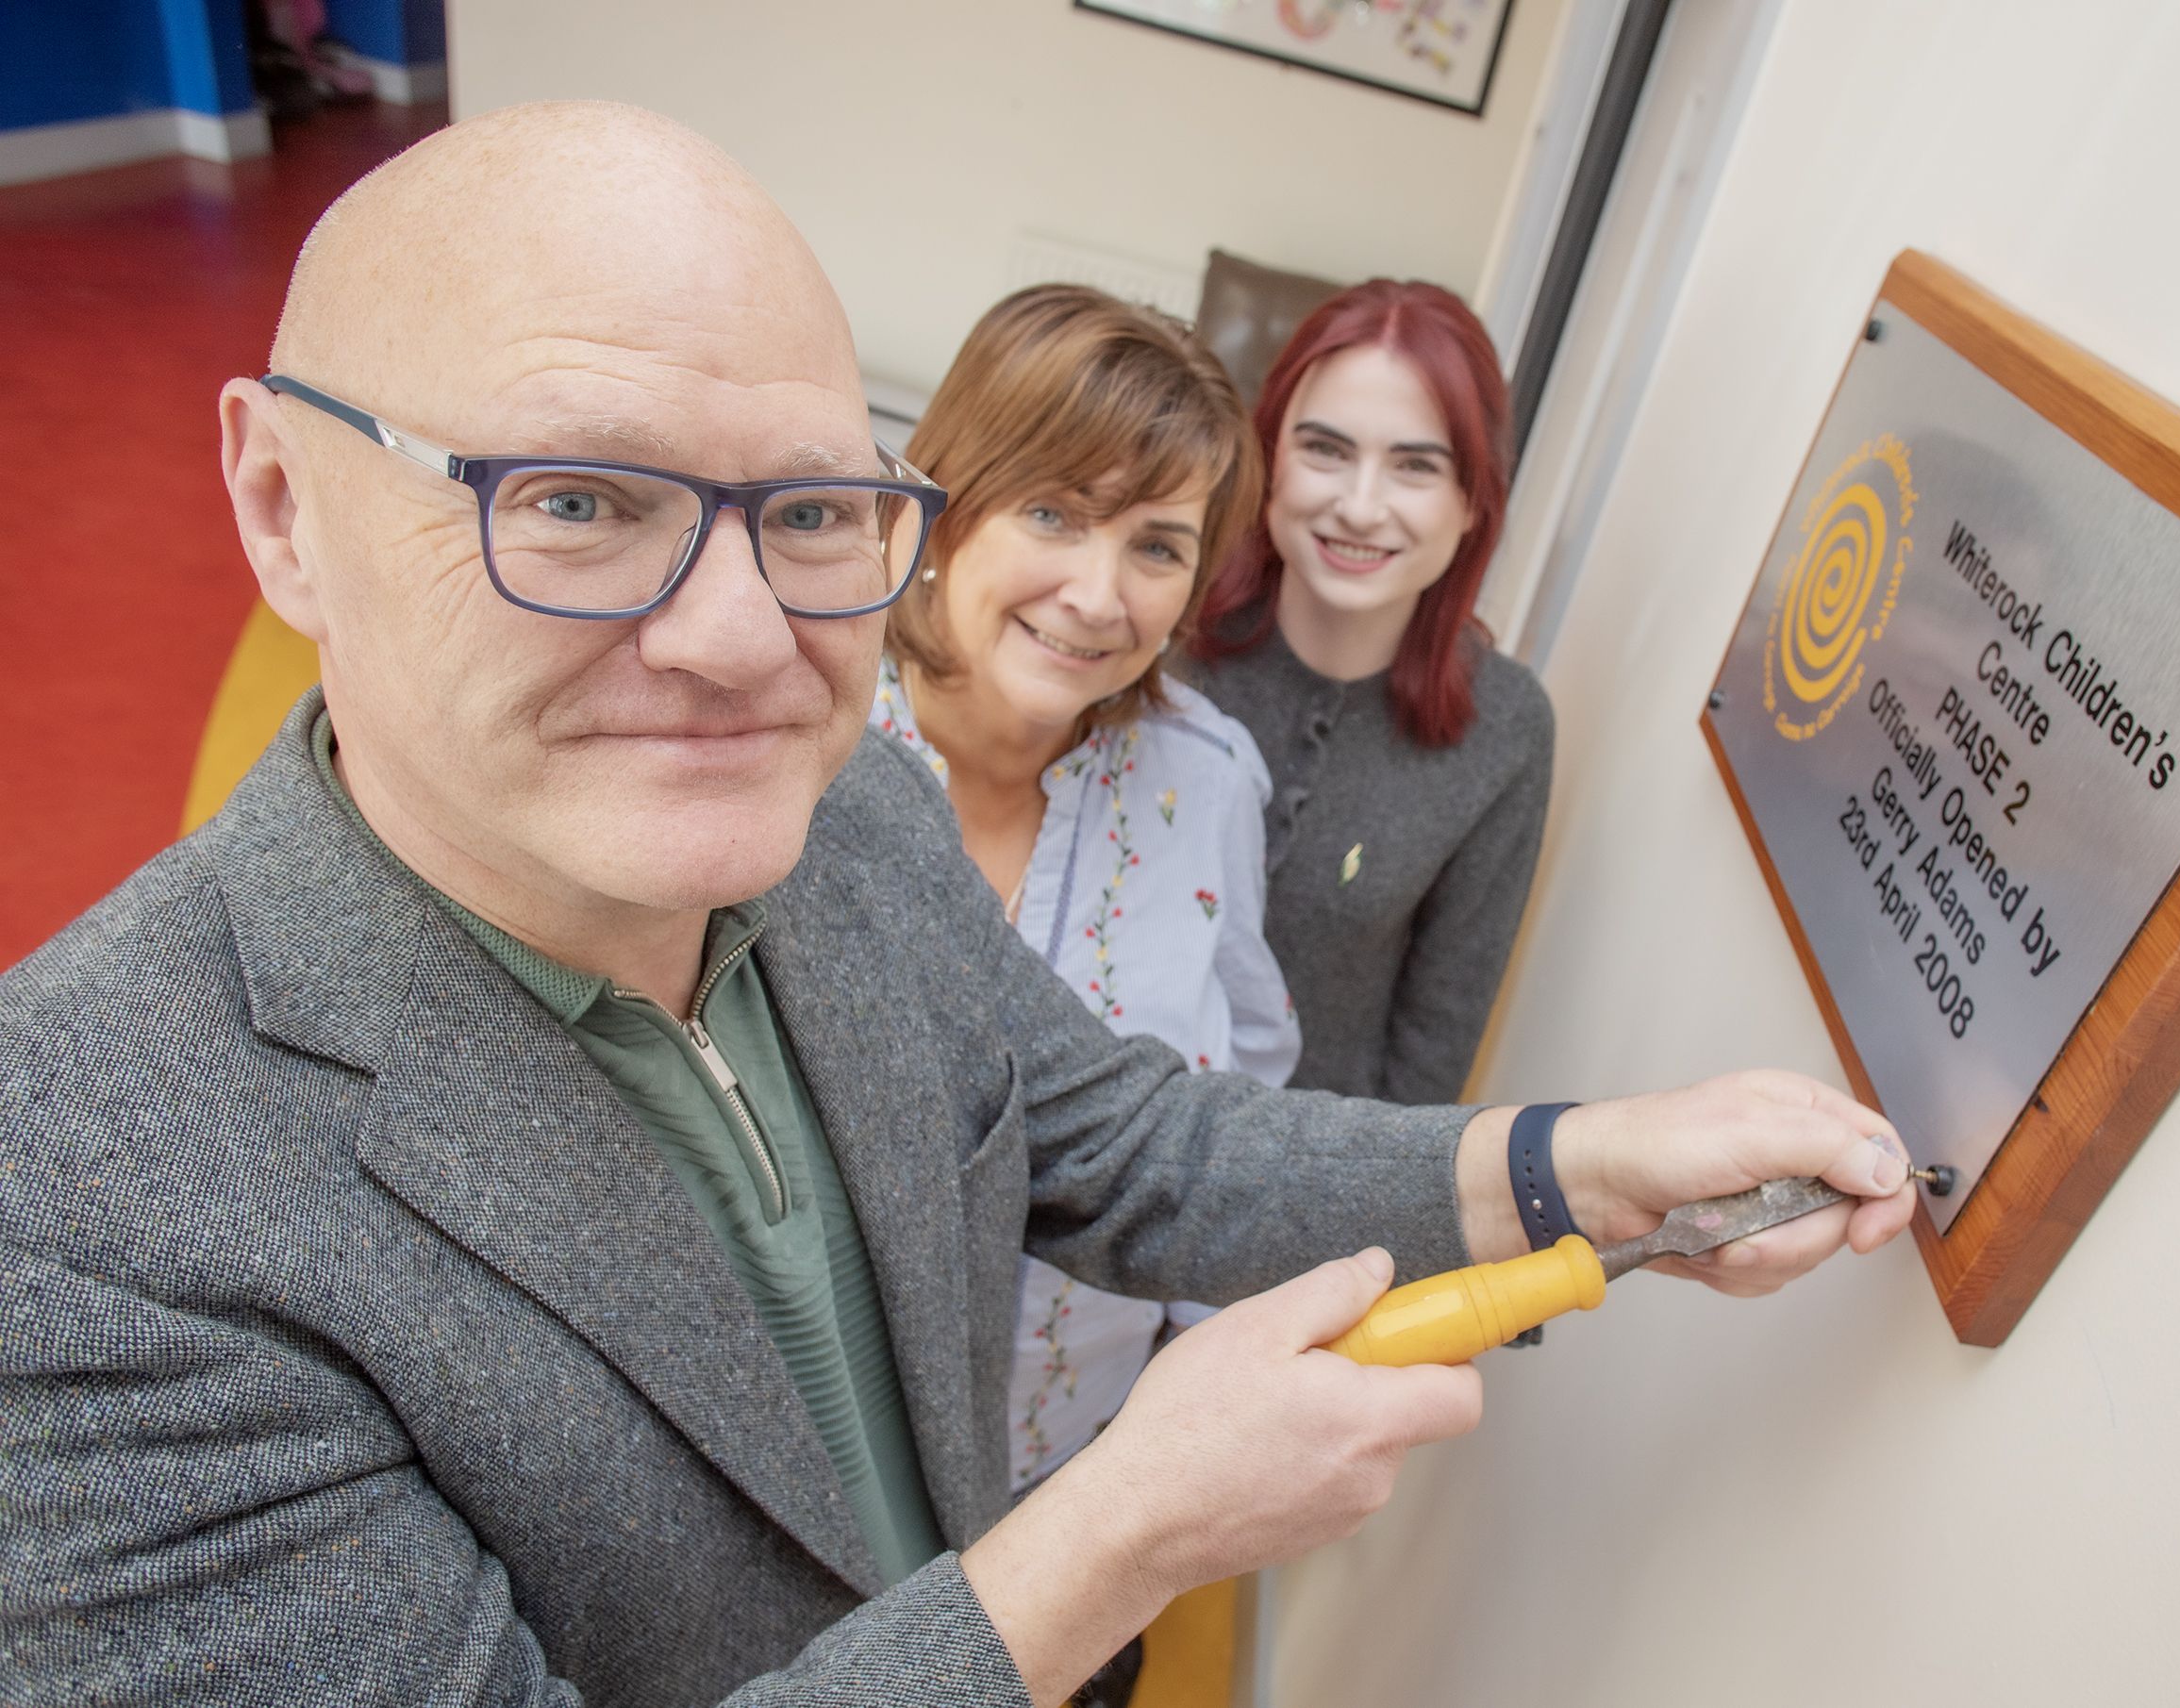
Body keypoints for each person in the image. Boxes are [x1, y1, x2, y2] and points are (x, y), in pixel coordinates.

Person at [0, 104, 1919, 1708]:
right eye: (577, 498)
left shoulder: (843, 820)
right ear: (278, 502)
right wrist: (1123, 1533)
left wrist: (1586, 1159)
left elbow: (1132, 1139)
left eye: (814, 510)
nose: (743, 638)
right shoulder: (76, 1198)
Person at [870, 283, 1296, 1494]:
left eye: (1156, 545)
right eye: (1054, 512)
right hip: (799, 1461)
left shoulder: (1206, 781)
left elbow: (1242, 1082)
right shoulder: (809, 734)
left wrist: (1194, 1384)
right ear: (945, 508)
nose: (1101, 596)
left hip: (1071, 1445)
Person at [1180, 280, 1552, 1103]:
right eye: (1325, 449)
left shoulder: (1506, 732)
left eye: (1415, 465)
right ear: (1269, 455)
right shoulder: (1161, 636)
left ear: (1471, 503)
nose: (1359, 505)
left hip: (1302, 1205)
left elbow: (1430, 1057)